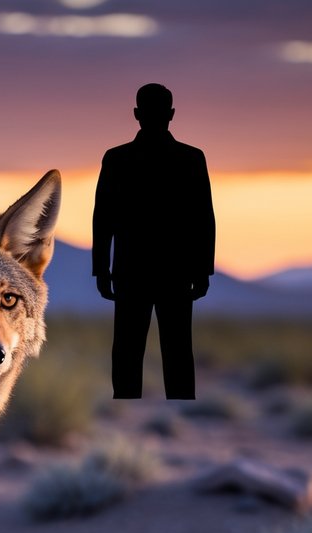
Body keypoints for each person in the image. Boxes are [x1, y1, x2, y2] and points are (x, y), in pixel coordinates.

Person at [92, 83, 215, 399]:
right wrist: (203, 271)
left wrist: (102, 270)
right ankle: (181, 403)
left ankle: (127, 405)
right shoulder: (190, 158)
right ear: (171, 114)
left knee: (128, 350)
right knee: (176, 349)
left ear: (136, 114)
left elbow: (103, 219)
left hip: (131, 271)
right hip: (176, 273)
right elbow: (204, 219)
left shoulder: (118, 159)